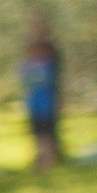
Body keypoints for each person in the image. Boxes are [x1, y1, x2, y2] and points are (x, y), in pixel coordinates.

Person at [21, 24, 64, 171]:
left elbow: (49, 78)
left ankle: (48, 164)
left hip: (47, 100)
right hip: (35, 101)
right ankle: (41, 161)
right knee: (38, 132)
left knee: (47, 132)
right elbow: (24, 75)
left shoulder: (50, 52)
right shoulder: (29, 52)